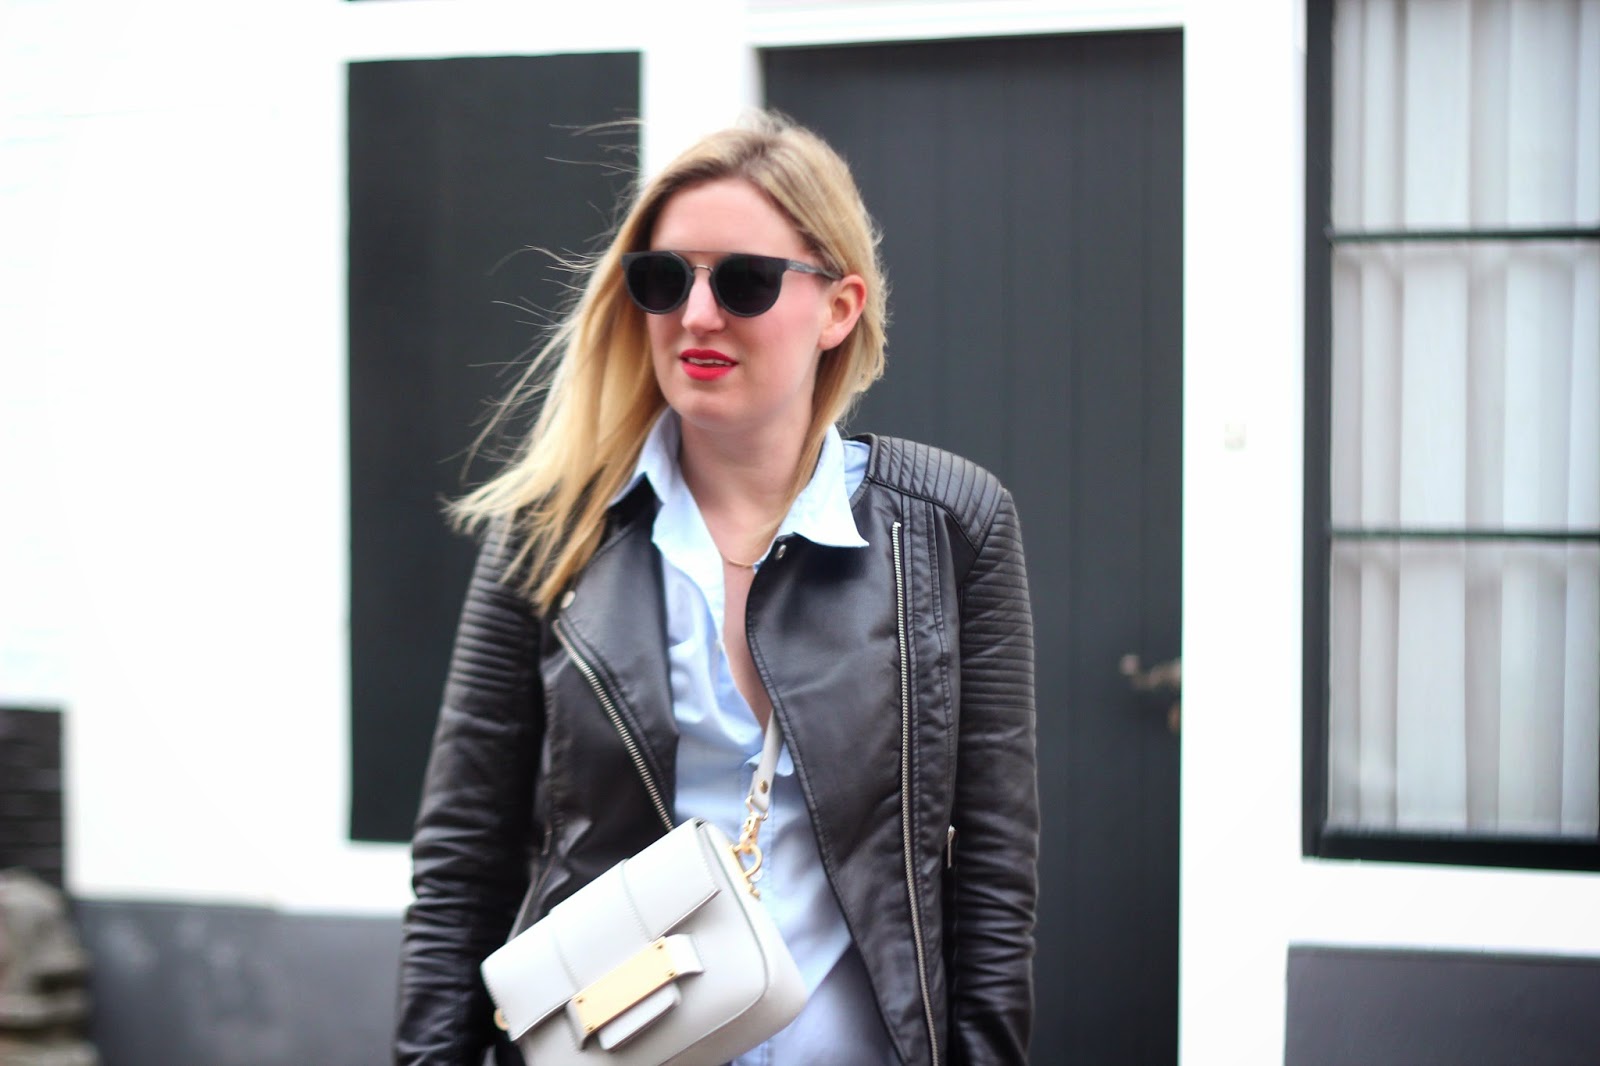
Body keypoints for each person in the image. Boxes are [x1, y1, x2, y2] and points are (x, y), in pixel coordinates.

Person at [394, 111, 1038, 1066]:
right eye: (665, 278)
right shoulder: (549, 533)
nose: (697, 315)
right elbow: (461, 866)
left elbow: (993, 877)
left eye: (743, 280)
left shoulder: (949, 526)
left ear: (839, 308)